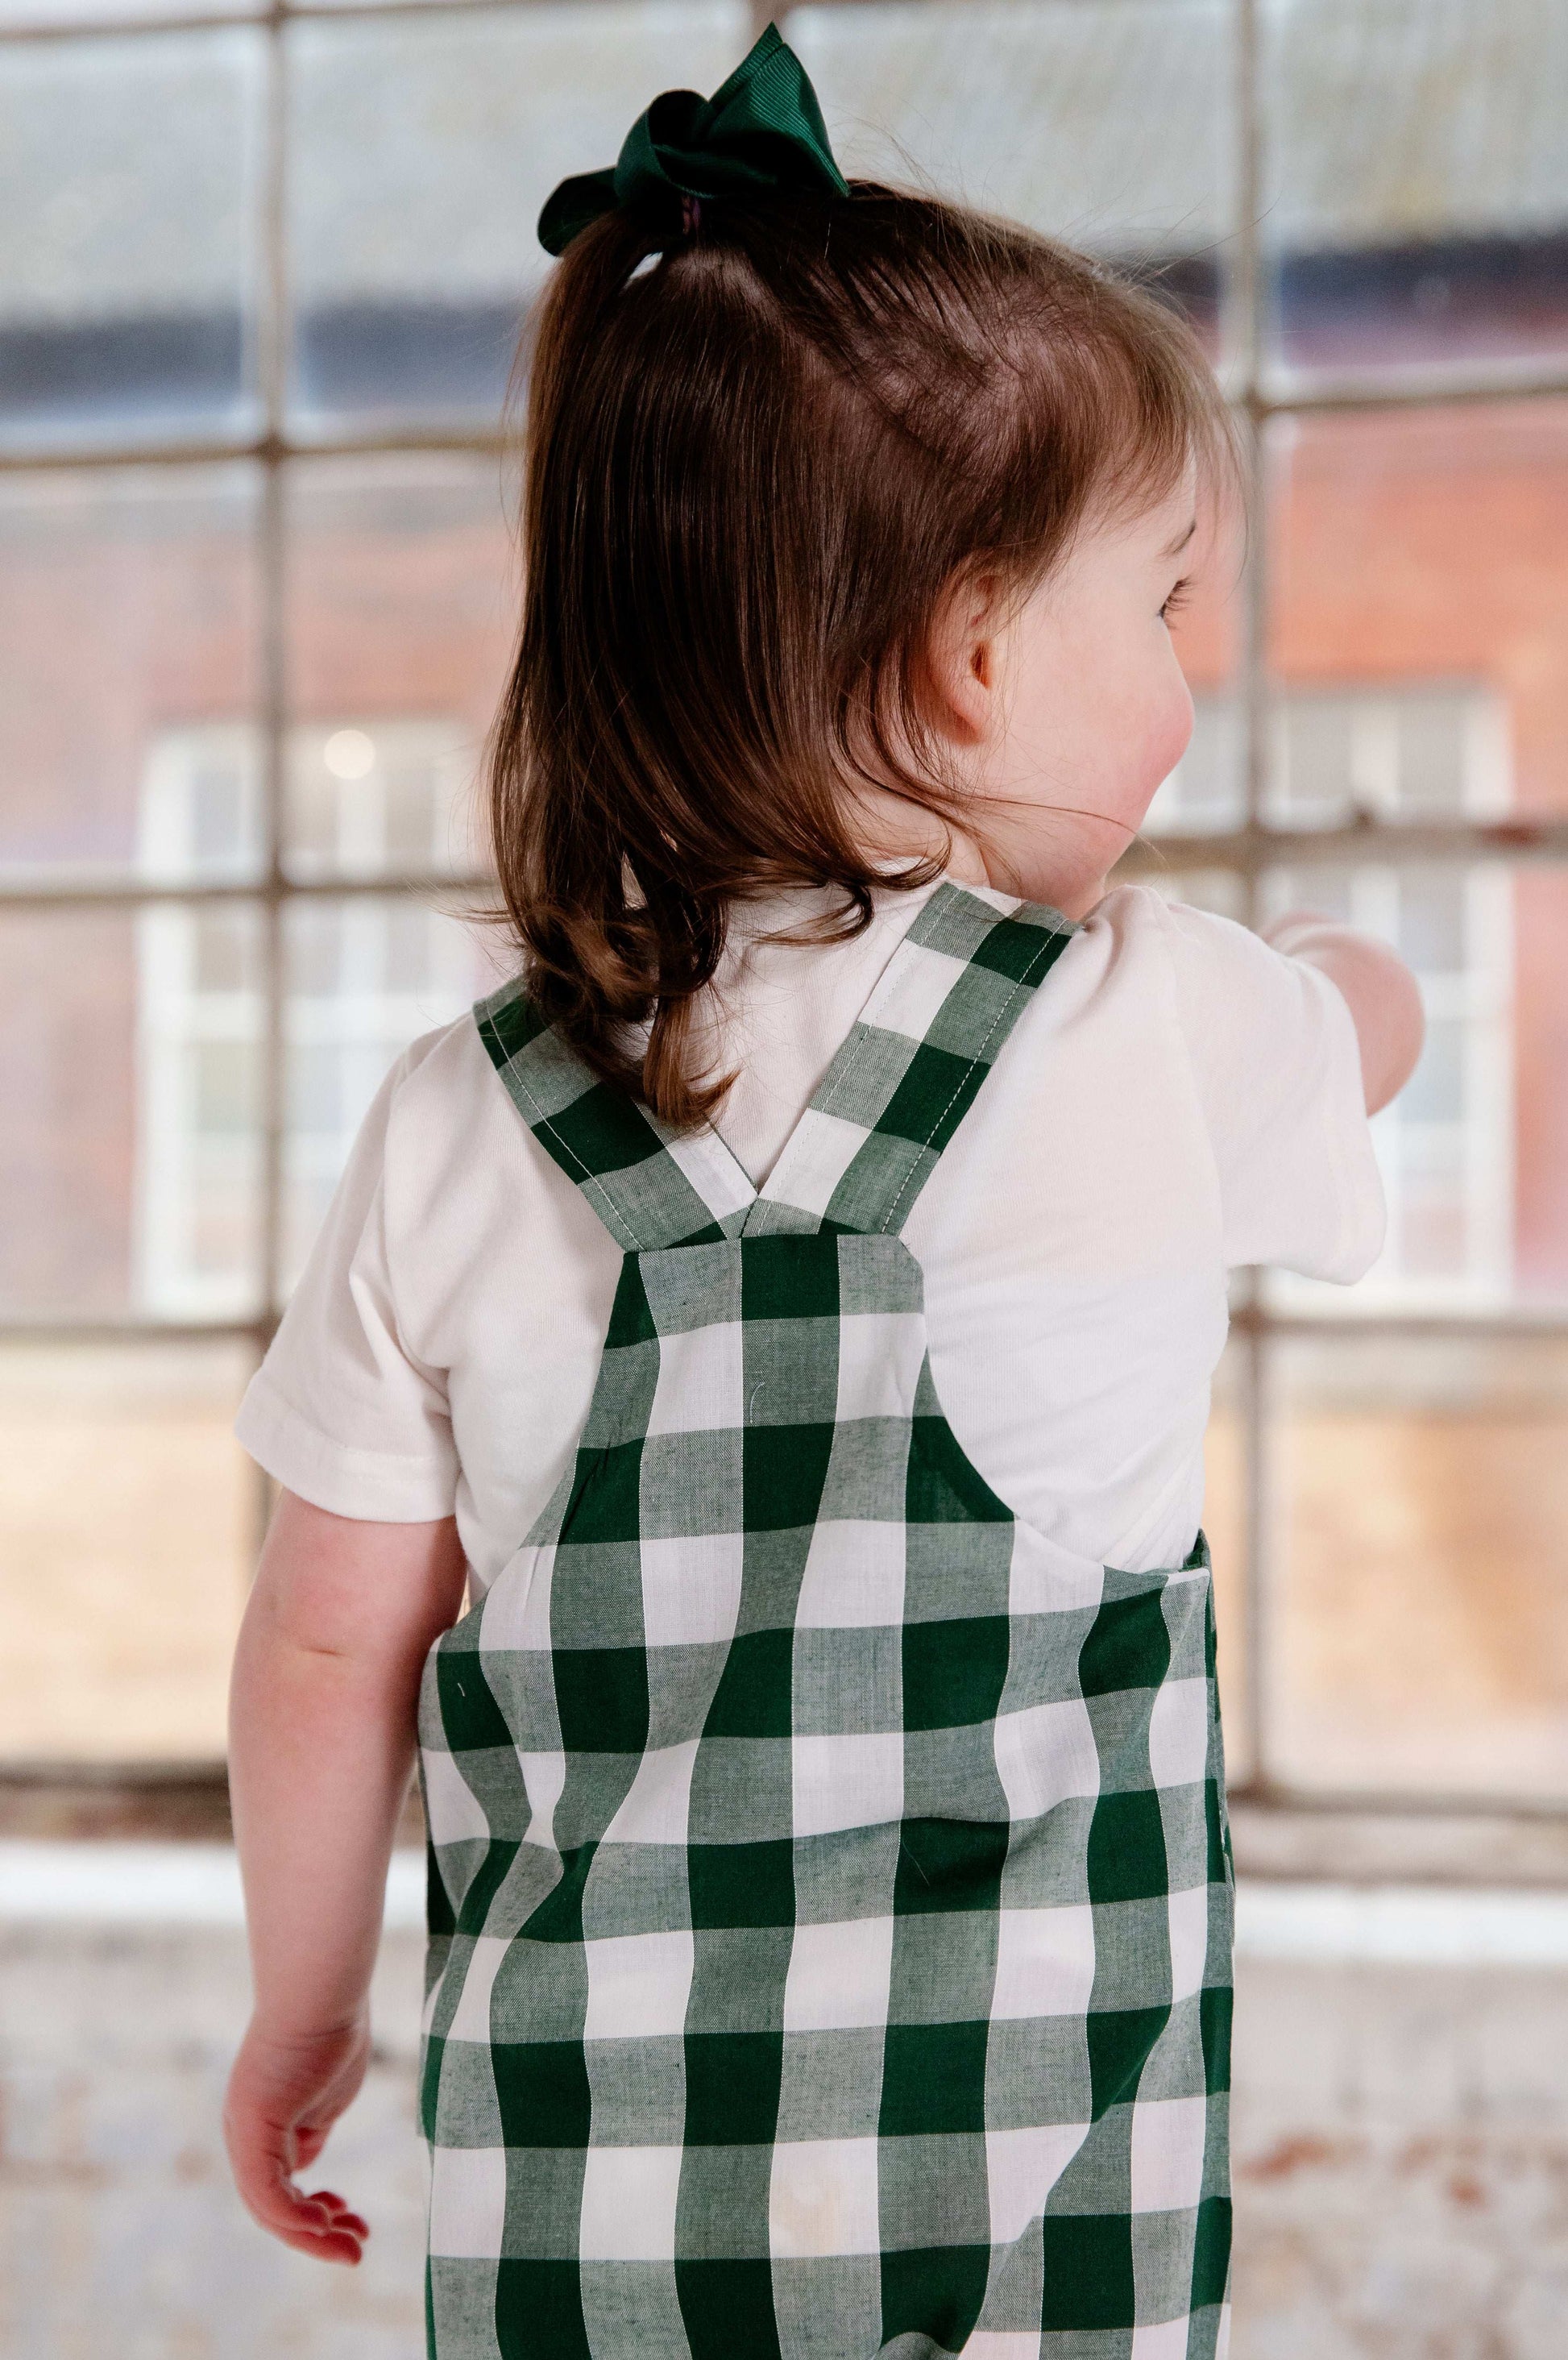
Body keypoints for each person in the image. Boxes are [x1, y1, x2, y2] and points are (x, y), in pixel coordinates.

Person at [222, 25, 1423, 2358]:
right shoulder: (1148, 1027)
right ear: (975, 654)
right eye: (1163, 606)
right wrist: (1336, 982)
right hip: (1034, 2200)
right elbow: (1359, 1029)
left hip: (596, 2200)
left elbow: (320, 1639)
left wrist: (304, 2000)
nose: (1193, 678)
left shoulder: (463, 1116)